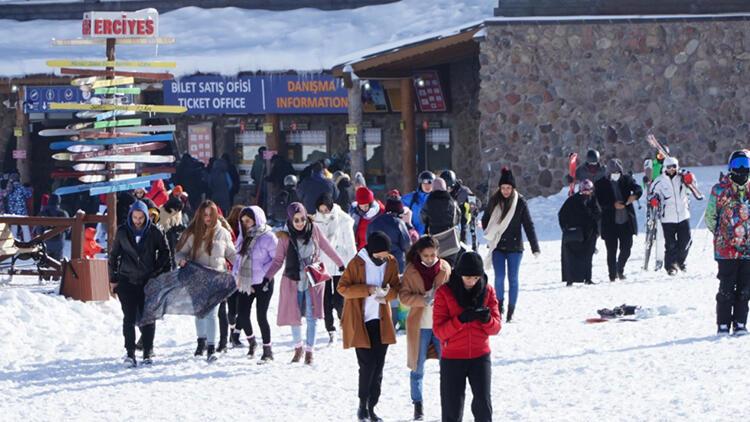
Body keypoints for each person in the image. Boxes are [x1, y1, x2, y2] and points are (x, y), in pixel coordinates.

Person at [265, 202, 344, 364]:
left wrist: (341, 263)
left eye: (302, 219)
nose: (300, 223)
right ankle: (298, 348)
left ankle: (309, 351)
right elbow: (278, 261)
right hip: (293, 280)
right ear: (290, 220)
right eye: (296, 220)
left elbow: (327, 248)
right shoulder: (285, 237)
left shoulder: (314, 229)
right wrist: (267, 277)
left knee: (311, 316)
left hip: (313, 279)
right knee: (294, 317)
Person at [338, 231, 401, 422]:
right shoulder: (357, 263)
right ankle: (362, 405)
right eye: (380, 255)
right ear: (372, 251)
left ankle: (372, 406)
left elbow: (396, 288)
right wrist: (368, 290)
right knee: (367, 366)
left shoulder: (390, 262)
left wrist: (387, 294)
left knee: (379, 366)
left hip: (381, 321)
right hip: (361, 321)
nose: (384, 258)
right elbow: (342, 288)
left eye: (386, 254)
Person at [433, 252, 501, 422]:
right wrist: (460, 320)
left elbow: (496, 328)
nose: (472, 281)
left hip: (480, 356)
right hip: (453, 358)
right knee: (452, 408)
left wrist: (486, 320)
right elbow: (439, 331)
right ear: (459, 273)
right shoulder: (444, 292)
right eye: (468, 277)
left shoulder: (487, 290)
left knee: (483, 406)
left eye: (476, 277)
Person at [108, 200, 171, 367]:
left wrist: (157, 273)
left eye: (140, 217)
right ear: (130, 216)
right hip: (126, 280)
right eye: (135, 217)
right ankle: (129, 352)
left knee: (148, 317)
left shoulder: (154, 231)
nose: (137, 220)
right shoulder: (122, 232)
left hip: (147, 280)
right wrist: (113, 279)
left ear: (146, 216)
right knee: (129, 317)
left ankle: (147, 351)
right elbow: (113, 256)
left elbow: (165, 253)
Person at [175, 200, 237, 362]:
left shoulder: (223, 233)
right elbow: (180, 253)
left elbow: (232, 254)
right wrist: (181, 260)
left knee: (212, 314)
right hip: (197, 278)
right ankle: (201, 342)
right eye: (205, 215)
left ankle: (211, 347)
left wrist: (244, 265)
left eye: (210, 214)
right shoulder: (192, 233)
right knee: (200, 313)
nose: (208, 218)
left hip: (217, 278)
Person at [399, 236, 451, 421]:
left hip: (441, 325)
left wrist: (441, 298)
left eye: (432, 255)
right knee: (417, 368)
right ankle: (418, 405)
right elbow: (403, 296)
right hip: (419, 326)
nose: (430, 259)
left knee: (448, 366)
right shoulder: (411, 270)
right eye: (426, 255)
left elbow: (453, 293)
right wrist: (423, 299)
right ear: (419, 254)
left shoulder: (445, 268)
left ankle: (450, 402)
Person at [481, 167, 539, 322]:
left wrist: (535, 247)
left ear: (513, 188)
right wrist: (488, 228)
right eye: (503, 188)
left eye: (508, 188)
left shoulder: (520, 202)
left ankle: (511, 311)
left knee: (513, 279)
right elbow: (485, 218)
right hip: (498, 246)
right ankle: (499, 307)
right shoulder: (495, 200)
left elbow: (528, 224)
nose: (505, 191)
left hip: (515, 248)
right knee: (499, 277)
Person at [706, 150, 750, 336]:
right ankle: (723, 324)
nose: (741, 170)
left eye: (745, 166)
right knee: (726, 287)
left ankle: (740, 323)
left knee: (745, 288)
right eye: (737, 166)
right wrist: (722, 235)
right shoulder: (719, 190)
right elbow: (710, 217)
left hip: (748, 249)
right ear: (730, 168)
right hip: (726, 250)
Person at [232, 206, 278, 360]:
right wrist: (236, 276)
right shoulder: (244, 237)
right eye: (243, 221)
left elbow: (277, 260)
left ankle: (267, 350)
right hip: (246, 282)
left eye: (249, 220)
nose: (246, 224)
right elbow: (238, 259)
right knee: (243, 315)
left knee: (261, 316)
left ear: (257, 219)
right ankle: (252, 342)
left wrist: (263, 272)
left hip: (264, 282)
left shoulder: (268, 237)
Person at [312, 193, 358, 344]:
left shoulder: (343, 220)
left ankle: (343, 320)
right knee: (324, 300)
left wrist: (353, 266)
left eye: (326, 210)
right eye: (321, 210)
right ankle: (330, 329)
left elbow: (351, 245)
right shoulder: (314, 221)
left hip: (340, 263)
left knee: (340, 298)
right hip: (320, 265)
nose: (324, 213)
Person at [594, 159, 643, 281]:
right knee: (611, 250)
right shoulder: (600, 184)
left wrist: (635, 196)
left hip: (625, 221)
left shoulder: (626, 179)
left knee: (626, 248)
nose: (616, 175)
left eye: (618, 172)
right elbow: (599, 202)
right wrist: (613, 205)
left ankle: (619, 269)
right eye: (613, 173)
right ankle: (612, 275)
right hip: (610, 222)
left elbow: (638, 188)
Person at [648, 156, 693, 275]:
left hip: (683, 214)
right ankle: (670, 266)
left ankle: (680, 261)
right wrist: (654, 200)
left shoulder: (681, 178)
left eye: (674, 167)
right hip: (668, 217)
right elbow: (651, 194)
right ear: (665, 168)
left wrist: (689, 178)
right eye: (669, 167)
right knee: (670, 243)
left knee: (686, 241)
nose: (672, 169)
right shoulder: (659, 180)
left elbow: (692, 186)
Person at [559, 179, 601, 286]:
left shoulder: (593, 200)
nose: (587, 193)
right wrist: (566, 228)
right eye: (585, 190)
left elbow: (598, 214)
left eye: (589, 190)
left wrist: (597, 230)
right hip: (575, 234)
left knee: (588, 257)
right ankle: (570, 279)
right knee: (571, 258)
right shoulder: (572, 200)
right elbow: (562, 214)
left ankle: (588, 278)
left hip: (589, 233)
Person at [367, 191, 412, 273]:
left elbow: (368, 242)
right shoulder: (398, 223)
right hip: (396, 261)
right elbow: (406, 244)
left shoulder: (374, 222)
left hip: (377, 261)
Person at [421, 177, 461, 265]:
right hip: (451, 239)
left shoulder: (429, 201)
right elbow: (457, 217)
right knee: (450, 265)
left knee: (436, 266)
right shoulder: (452, 201)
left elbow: (423, 218)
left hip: (434, 239)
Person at [441, 170, 476, 244]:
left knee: (462, 240)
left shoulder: (463, 191)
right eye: (446, 188)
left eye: (450, 187)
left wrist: (472, 209)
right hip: (446, 222)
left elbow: (475, 202)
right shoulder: (439, 193)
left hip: (462, 219)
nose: (448, 190)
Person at [35, 194, 69, 261]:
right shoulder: (63, 213)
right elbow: (67, 229)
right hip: (59, 242)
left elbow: (38, 230)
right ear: (59, 201)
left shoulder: (42, 213)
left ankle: (43, 270)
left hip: (46, 242)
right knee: (58, 264)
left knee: (44, 262)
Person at [402, 171, 435, 235]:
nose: (427, 186)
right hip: (416, 236)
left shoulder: (438, 198)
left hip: (433, 237)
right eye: (424, 183)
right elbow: (401, 206)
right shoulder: (412, 198)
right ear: (420, 184)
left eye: (429, 183)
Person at [158, 196, 186, 269]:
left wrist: (180, 228)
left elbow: (178, 223)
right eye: (176, 210)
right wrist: (172, 230)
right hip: (166, 239)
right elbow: (162, 228)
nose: (176, 212)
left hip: (176, 239)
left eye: (178, 210)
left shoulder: (178, 212)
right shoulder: (162, 212)